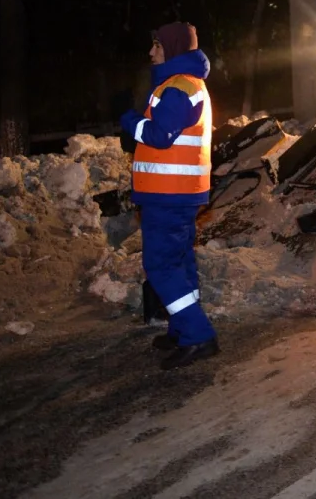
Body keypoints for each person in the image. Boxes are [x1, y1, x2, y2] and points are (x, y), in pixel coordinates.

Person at [119, 22, 218, 370]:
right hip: (177, 193)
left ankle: (197, 335)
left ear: (172, 49)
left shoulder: (177, 88)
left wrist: (130, 120)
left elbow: (160, 136)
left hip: (168, 194)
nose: (151, 52)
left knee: (160, 265)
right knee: (179, 263)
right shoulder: (184, 84)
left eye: (157, 46)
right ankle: (183, 328)